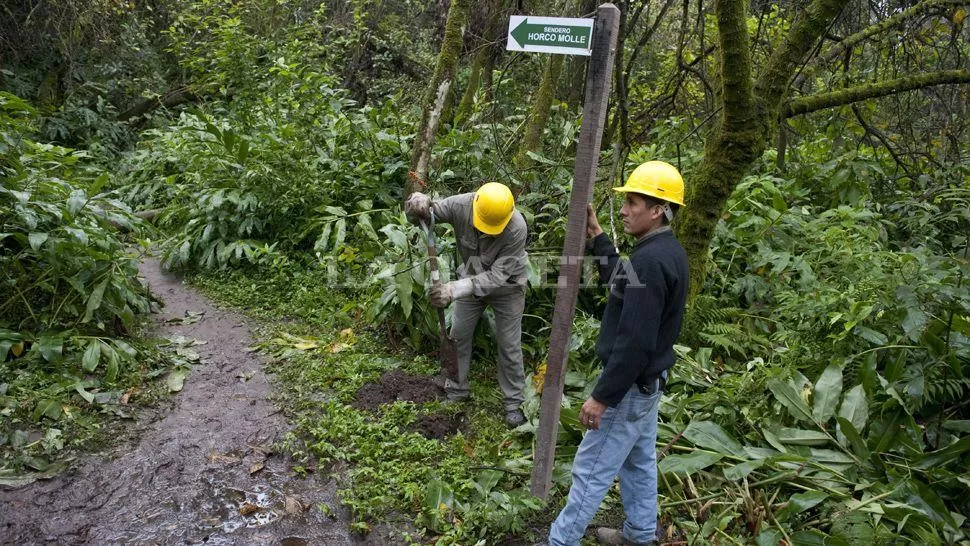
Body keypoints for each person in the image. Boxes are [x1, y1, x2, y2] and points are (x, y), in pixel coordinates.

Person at [547, 161, 689, 546]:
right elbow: (623, 284)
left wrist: (601, 397)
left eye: (633, 203)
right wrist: (598, 238)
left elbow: (635, 343)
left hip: (628, 389)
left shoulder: (653, 260)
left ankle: (560, 542)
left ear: (658, 209)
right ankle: (641, 535)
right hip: (647, 386)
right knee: (639, 463)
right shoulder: (664, 250)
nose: (624, 210)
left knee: (590, 470)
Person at [405, 182, 529, 427]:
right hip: (470, 279)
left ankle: (515, 402)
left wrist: (452, 290)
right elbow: (425, 216)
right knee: (458, 334)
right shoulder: (461, 205)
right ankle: (457, 388)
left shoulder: (516, 228)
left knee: (509, 344)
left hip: (508, 286)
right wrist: (415, 203)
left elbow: (496, 277)